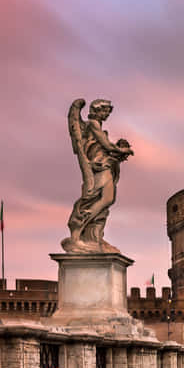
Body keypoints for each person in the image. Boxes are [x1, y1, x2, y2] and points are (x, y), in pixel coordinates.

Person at [63, 99, 133, 254]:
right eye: (105, 111)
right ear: (96, 111)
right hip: (99, 166)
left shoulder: (97, 126)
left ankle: (94, 236)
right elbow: (106, 145)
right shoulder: (93, 124)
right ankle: (78, 230)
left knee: (106, 200)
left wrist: (116, 154)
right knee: (104, 198)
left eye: (108, 111)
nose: (107, 114)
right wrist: (122, 150)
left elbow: (104, 147)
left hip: (104, 165)